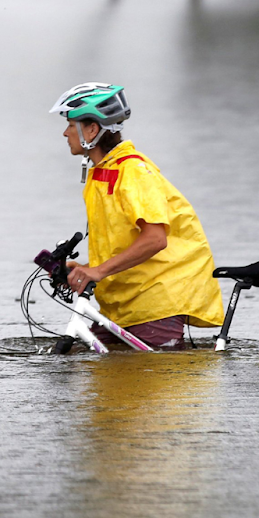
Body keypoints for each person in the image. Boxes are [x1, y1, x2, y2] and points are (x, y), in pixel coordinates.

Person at [50, 82, 224, 349]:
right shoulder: (102, 173)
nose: (65, 133)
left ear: (92, 129)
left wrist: (98, 271)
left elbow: (155, 239)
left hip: (156, 300)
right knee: (97, 372)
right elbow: (121, 240)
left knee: (147, 379)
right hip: (124, 303)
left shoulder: (133, 172)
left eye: (70, 125)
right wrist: (83, 268)